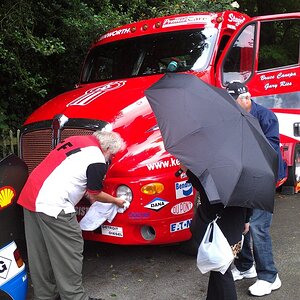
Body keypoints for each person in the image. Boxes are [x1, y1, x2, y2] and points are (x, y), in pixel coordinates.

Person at [18, 130, 127, 300]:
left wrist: (91, 198)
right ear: (106, 148)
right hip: (54, 204)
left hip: (30, 196)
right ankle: (74, 297)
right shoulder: (97, 158)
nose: (110, 159)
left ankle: (45, 295)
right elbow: (95, 192)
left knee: (40, 253)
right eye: (111, 154)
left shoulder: (76, 140)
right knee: (71, 247)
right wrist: (115, 201)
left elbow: (71, 174)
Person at [226, 81, 286, 297]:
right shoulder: (234, 117)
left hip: (264, 177)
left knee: (259, 226)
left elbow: (272, 147)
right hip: (243, 177)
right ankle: (245, 266)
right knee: (242, 223)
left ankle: (269, 276)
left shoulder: (265, 116)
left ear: (245, 99)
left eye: (233, 102)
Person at [181, 164, 251, 300]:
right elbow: (250, 198)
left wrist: (186, 168)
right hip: (236, 222)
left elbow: (201, 185)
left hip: (219, 227)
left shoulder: (212, 171)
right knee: (220, 268)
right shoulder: (245, 167)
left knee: (222, 272)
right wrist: (247, 219)